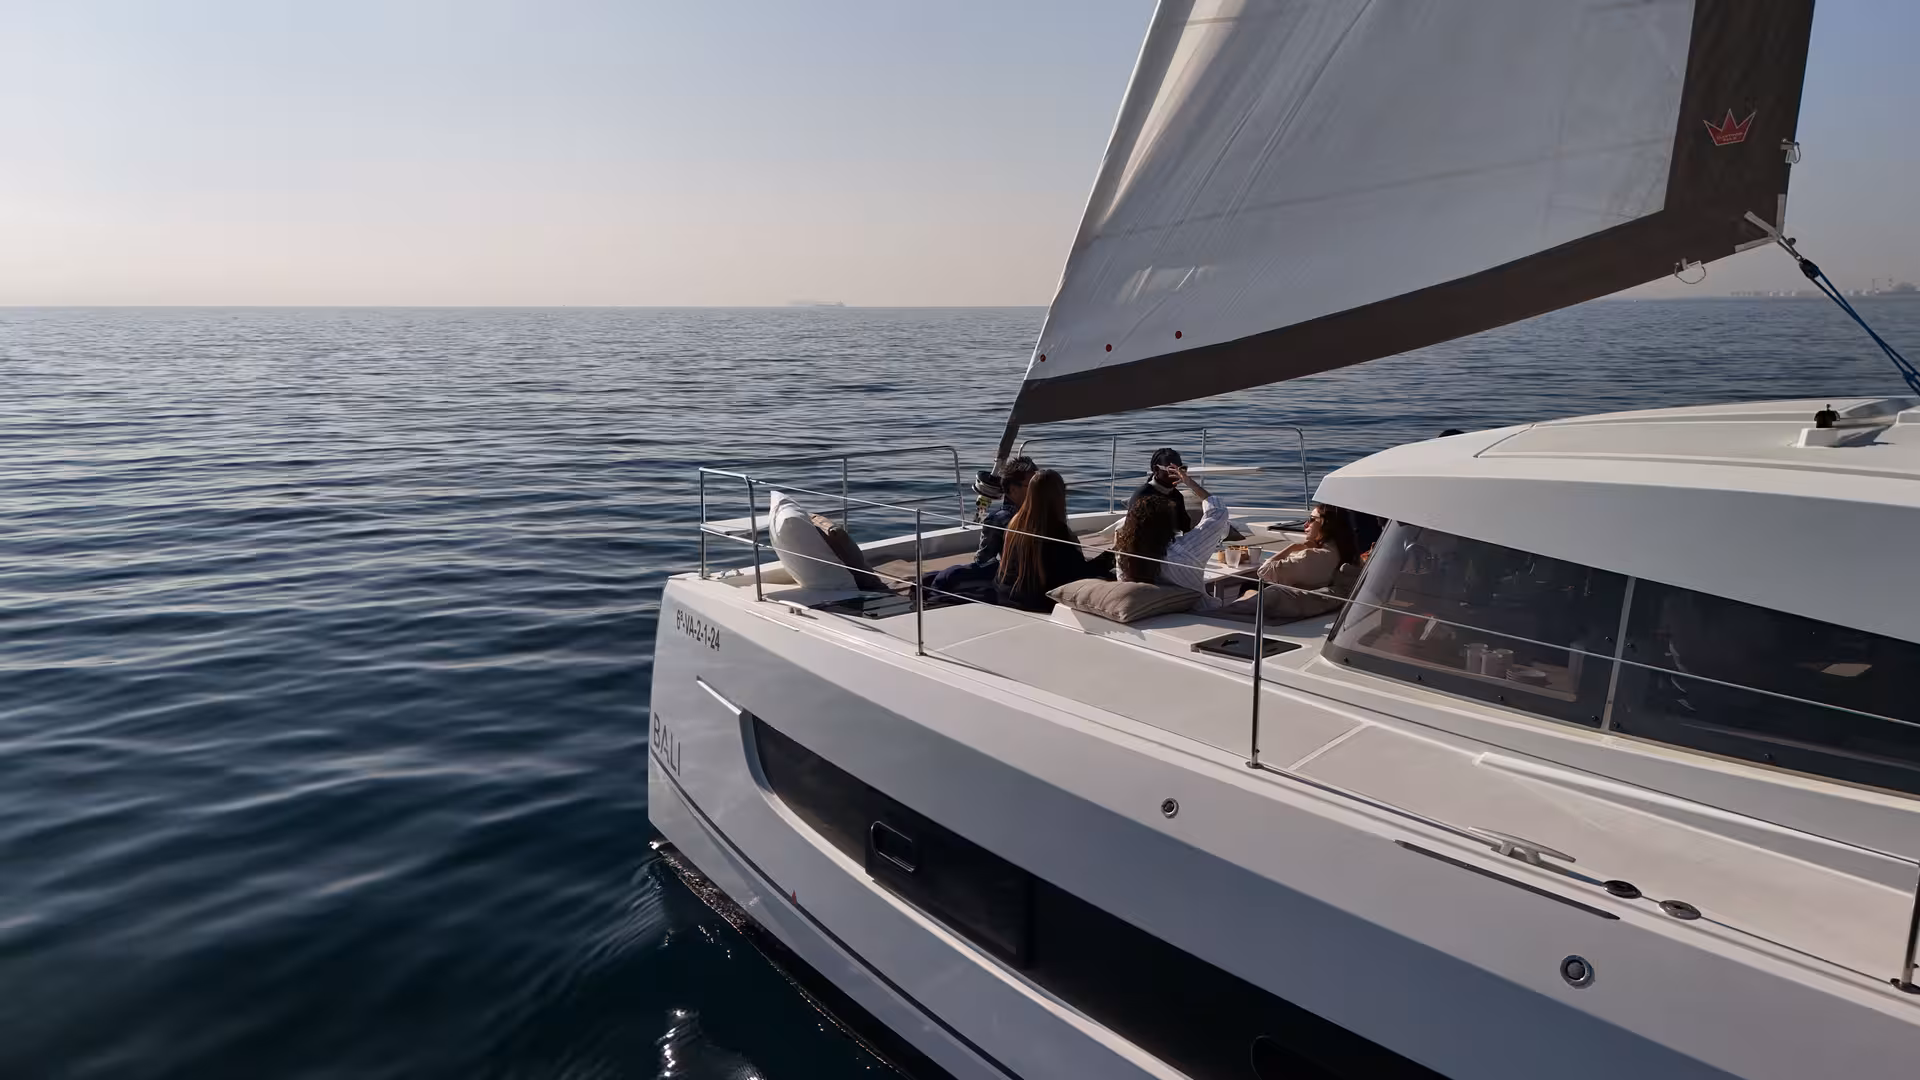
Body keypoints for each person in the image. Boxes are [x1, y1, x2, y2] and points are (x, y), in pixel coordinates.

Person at [994, 470, 1114, 611]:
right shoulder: (1055, 530)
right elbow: (1080, 573)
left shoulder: (1015, 522)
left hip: (1006, 596)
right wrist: (1111, 555)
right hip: (1038, 603)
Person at [923, 457, 1036, 603]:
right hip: (1028, 575)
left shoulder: (999, 519)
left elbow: (983, 560)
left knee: (944, 577)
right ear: (1013, 489)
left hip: (1013, 578)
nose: (1038, 491)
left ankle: (930, 600)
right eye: (1033, 486)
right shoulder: (1049, 514)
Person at [1114, 463, 1229, 597]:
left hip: (1150, 611)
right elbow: (1218, 513)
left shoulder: (1125, 554)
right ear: (1169, 524)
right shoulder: (1186, 550)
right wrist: (1190, 483)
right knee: (1249, 592)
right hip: (1194, 611)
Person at [1255, 503, 1359, 591]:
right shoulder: (1347, 551)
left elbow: (1264, 571)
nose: (1306, 524)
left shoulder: (1312, 557)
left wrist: (1292, 547)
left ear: (1325, 524)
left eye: (1311, 519)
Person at [1126, 447, 1194, 535]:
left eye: (1181, 469)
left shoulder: (1177, 496)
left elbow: (1185, 528)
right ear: (1156, 470)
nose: (1178, 474)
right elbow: (1133, 531)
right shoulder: (1143, 495)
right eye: (1171, 470)